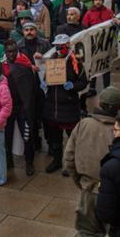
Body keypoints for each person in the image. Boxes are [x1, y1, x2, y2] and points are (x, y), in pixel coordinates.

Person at [63, 86, 120, 237]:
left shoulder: (83, 124)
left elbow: (69, 159)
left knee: (86, 232)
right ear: (119, 107)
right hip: (114, 193)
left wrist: (81, 182)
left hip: (88, 190)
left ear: (99, 103)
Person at [35, 34, 88, 174]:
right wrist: (45, 83)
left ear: (68, 45)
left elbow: (83, 82)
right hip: (53, 106)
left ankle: (71, 164)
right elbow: (47, 76)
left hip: (69, 106)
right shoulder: (52, 60)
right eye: (56, 46)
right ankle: (57, 161)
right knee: (55, 138)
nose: (58, 49)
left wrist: (74, 86)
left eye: (61, 46)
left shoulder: (76, 62)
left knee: (72, 137)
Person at [2, 39, 40, 176]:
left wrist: (28, 106)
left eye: (13, 51)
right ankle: (8, 160)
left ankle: (29, 162)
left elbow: (32, 88)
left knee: (27, 136)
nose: (11, 54)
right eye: (8, 52)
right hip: (8, 108)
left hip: (23, 107)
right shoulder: (2, 66)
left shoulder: (25, 65)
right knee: (7, 135)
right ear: (5, 52)